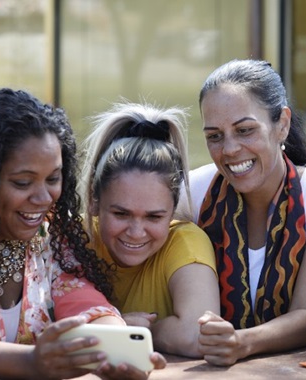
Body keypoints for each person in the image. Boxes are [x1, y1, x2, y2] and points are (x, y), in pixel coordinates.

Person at [0, 88, 165, 379]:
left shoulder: (47, 232)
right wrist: (30, 362)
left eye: (53, 178)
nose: (43, 198)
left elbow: (79, 296)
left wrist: (110, 349)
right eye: (23, 182)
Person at [175, 59, 306, 366]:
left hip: (304, 370)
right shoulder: (194, 191)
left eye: (245, 130)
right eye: (214, 136)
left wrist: (240, 342)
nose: (230, 149)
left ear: (282, 124)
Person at [80, 102, 220, 358]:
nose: (136, 232)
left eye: (154, 217)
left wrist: (135, 332)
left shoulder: (186, 241)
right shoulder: (75, 239)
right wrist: (119, 324)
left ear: (173, 209)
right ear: (94, 201)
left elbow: (196, 335)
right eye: (121, 214)